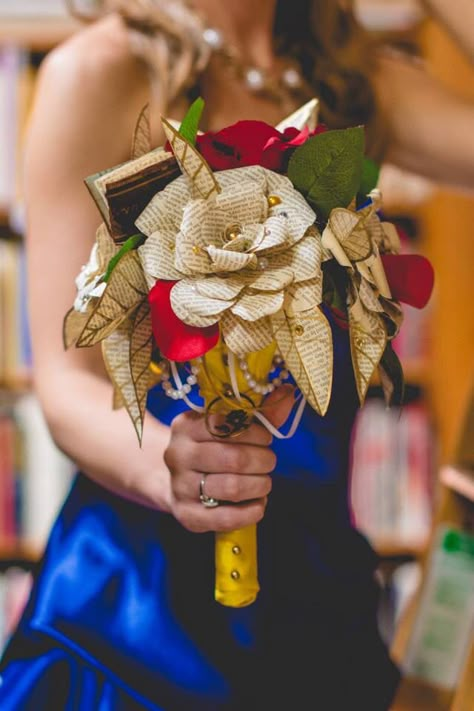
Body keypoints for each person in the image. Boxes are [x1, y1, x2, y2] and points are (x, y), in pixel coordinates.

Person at [0, 1, 473, 709]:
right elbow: (65, 382)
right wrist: (170, 472)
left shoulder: (352, 84)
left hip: (320, 626)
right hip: (134, 624)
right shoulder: (102, 71)